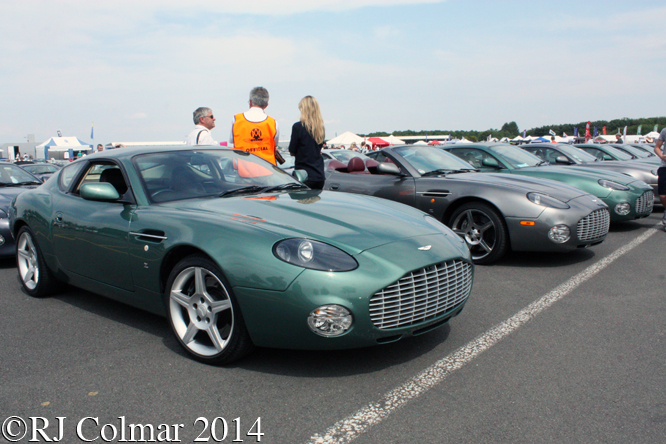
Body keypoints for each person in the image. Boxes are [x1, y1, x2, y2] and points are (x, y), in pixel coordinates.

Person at [230, 87, 279, 164]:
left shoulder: (236, 119)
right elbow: (275, 144)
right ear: (266, 105)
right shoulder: (273, 122)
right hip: (268, 169)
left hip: (243, 169)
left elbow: (232, 141)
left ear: (250, 102)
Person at [288, 96, 326, 190]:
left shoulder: (298, 127)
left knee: (302, 202)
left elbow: (292, 150)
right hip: (319, 175)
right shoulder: (320, 128)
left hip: (303, 175)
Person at [654, 128, 666, 228]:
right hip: (664, 167)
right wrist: (662, 156)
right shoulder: (665, 131)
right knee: (662, 196)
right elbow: (657, 147)